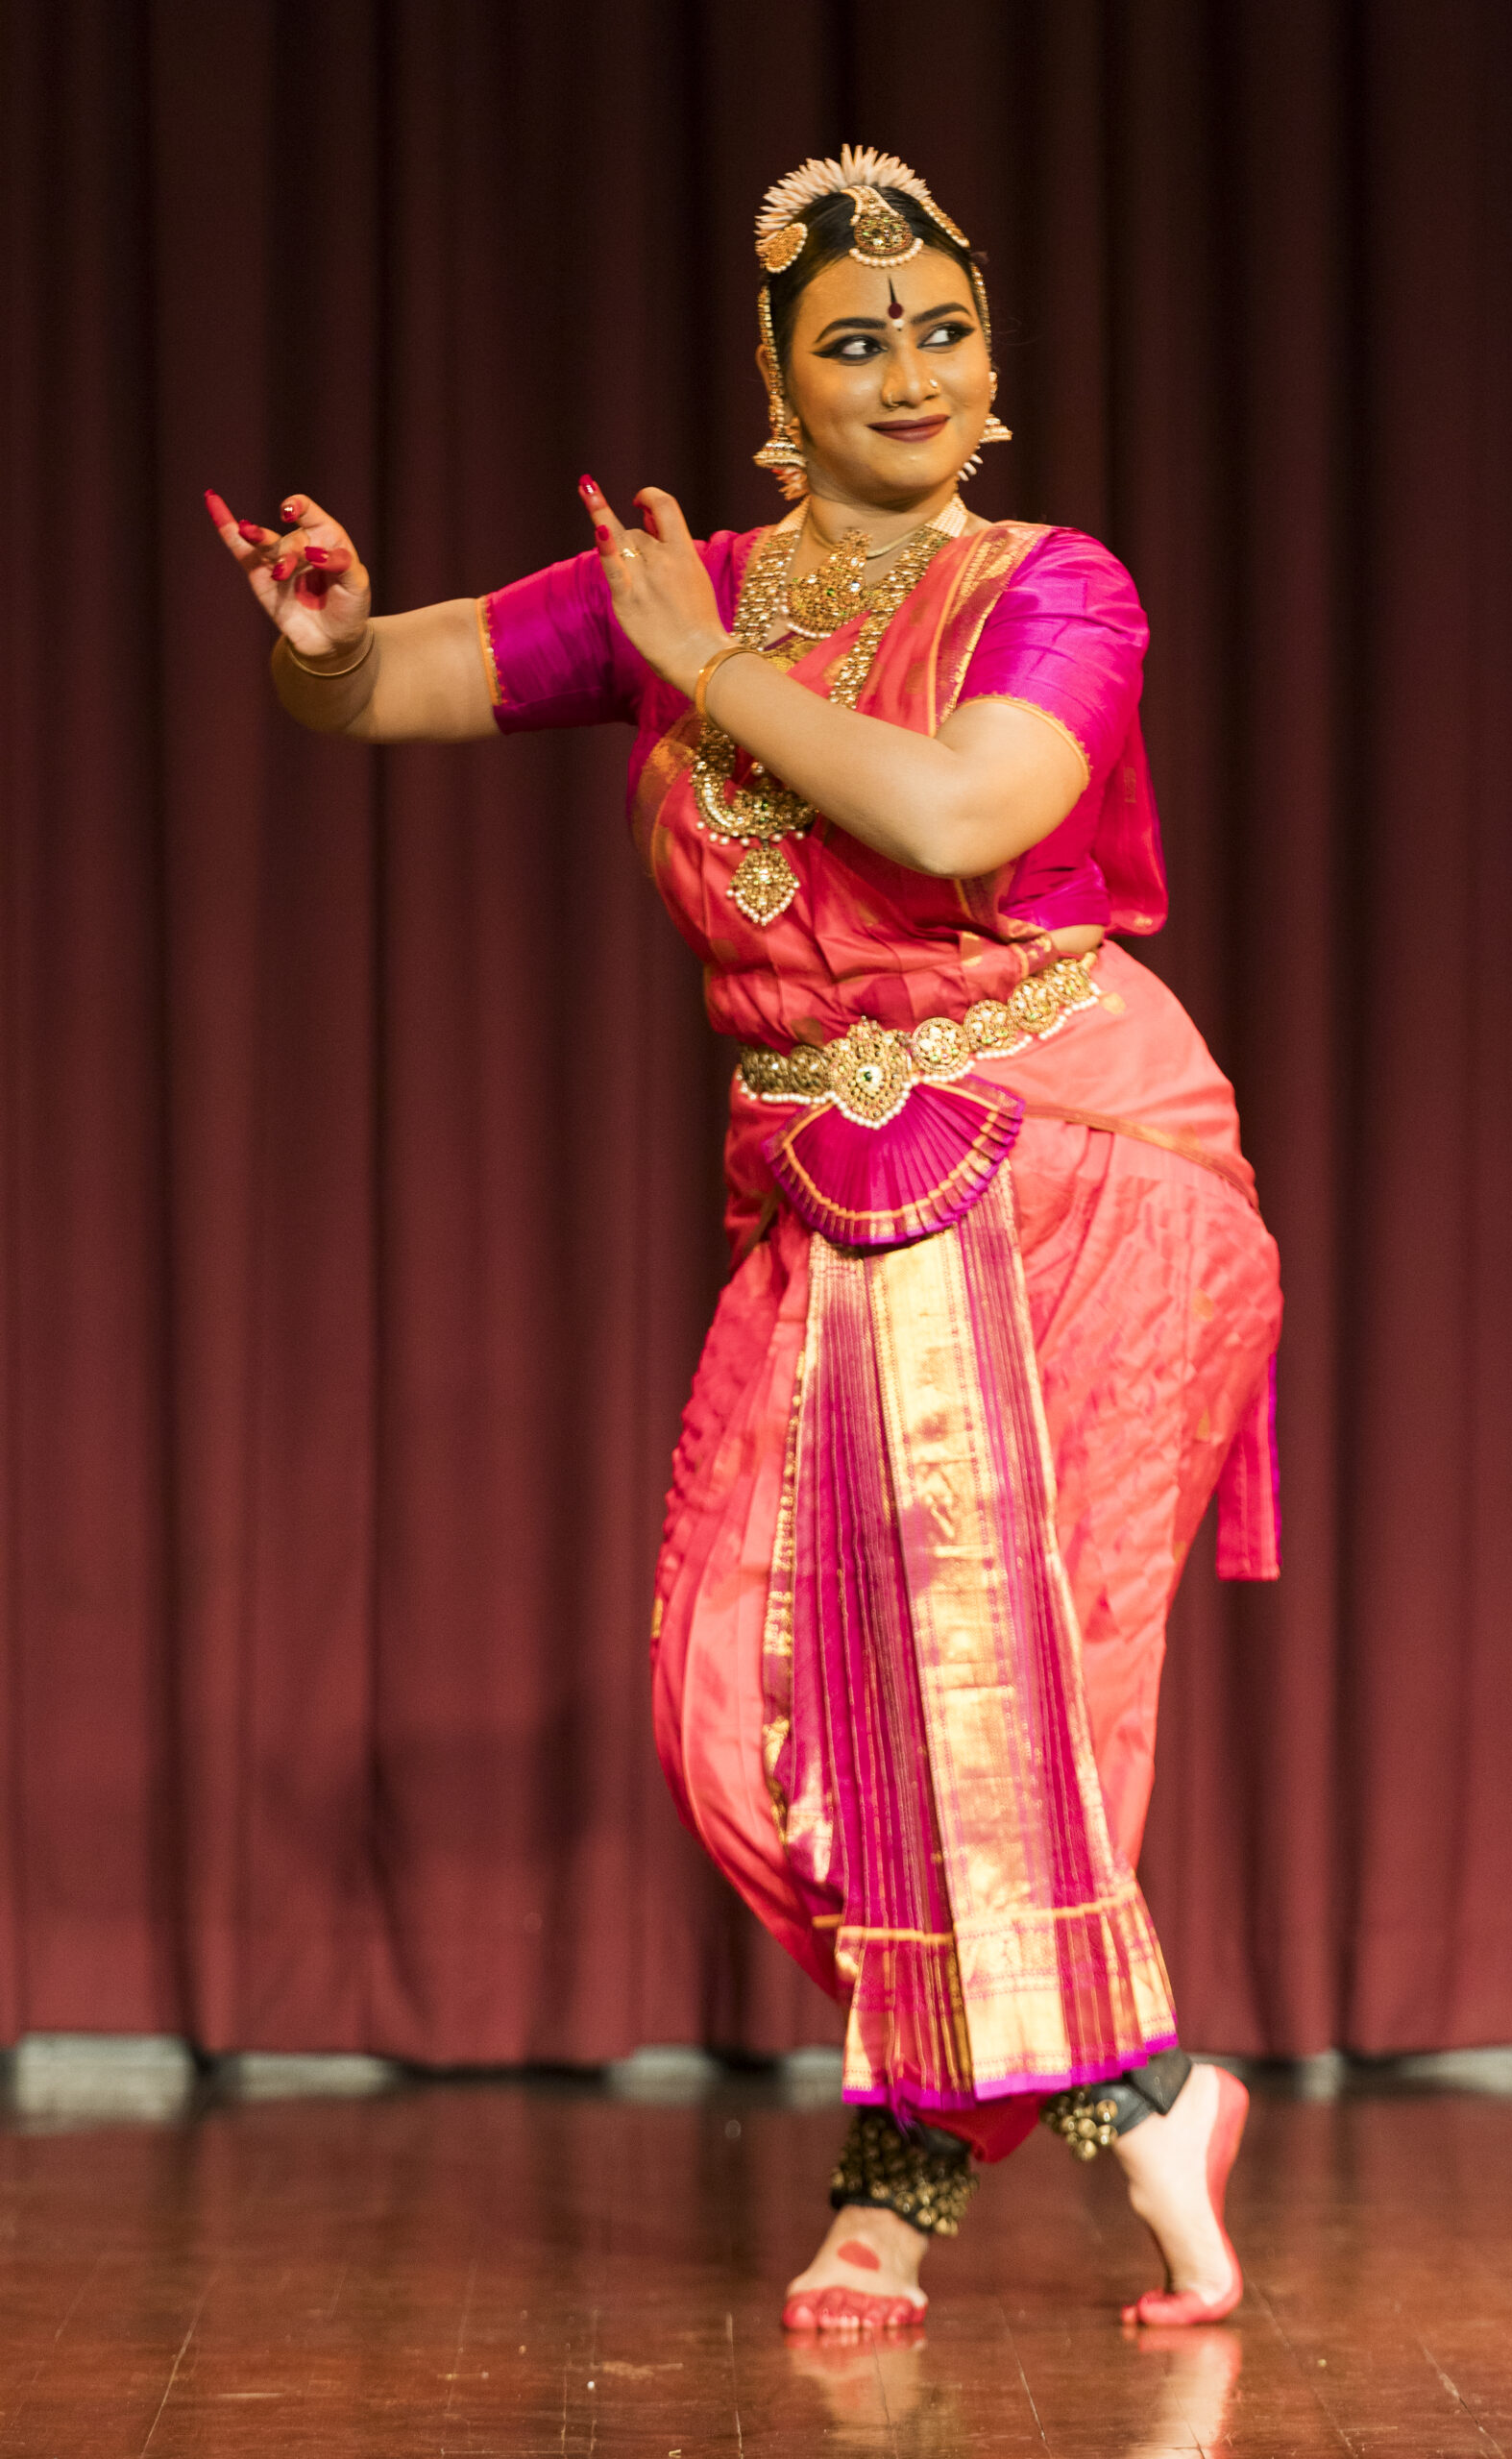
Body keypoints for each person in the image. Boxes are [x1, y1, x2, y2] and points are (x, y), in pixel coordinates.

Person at [207, 146, 1281, 2335]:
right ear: (781, 386)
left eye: (942, 330)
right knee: (741, 1703)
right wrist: (325, 642)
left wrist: (701, 669)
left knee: (989, 1709)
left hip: (1075, 1155)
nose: (910, 371)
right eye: (855, 342)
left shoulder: (1052, 586)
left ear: (991, 360)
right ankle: (1148, 2092)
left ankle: (901, 2190)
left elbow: (967, 809)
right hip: (834, 1183)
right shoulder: (683, 584)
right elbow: (391, 684)